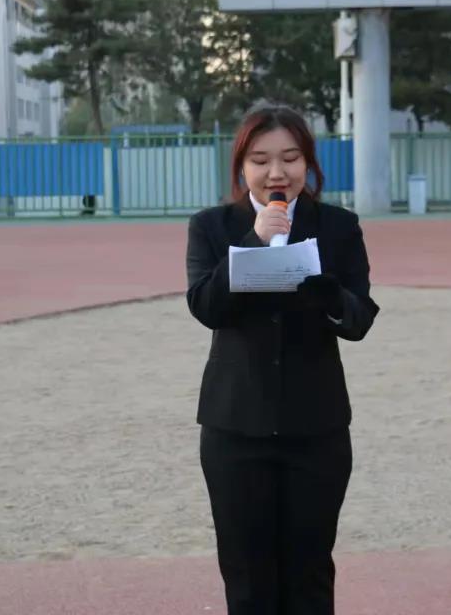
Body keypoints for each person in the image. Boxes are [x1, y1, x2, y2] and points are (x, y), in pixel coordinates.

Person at [186, 102, 380, 615]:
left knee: (309, 573)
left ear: (308, 163)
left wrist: (330, 296)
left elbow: (359, 319)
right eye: (261, 160)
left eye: (291, 158)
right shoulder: (212, 226)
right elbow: (205, 307)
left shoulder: (337, 225)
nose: (277, 172)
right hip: (234, 426)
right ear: (241, 166)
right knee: (246, 576)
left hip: (316, 428)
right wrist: (255, 241)